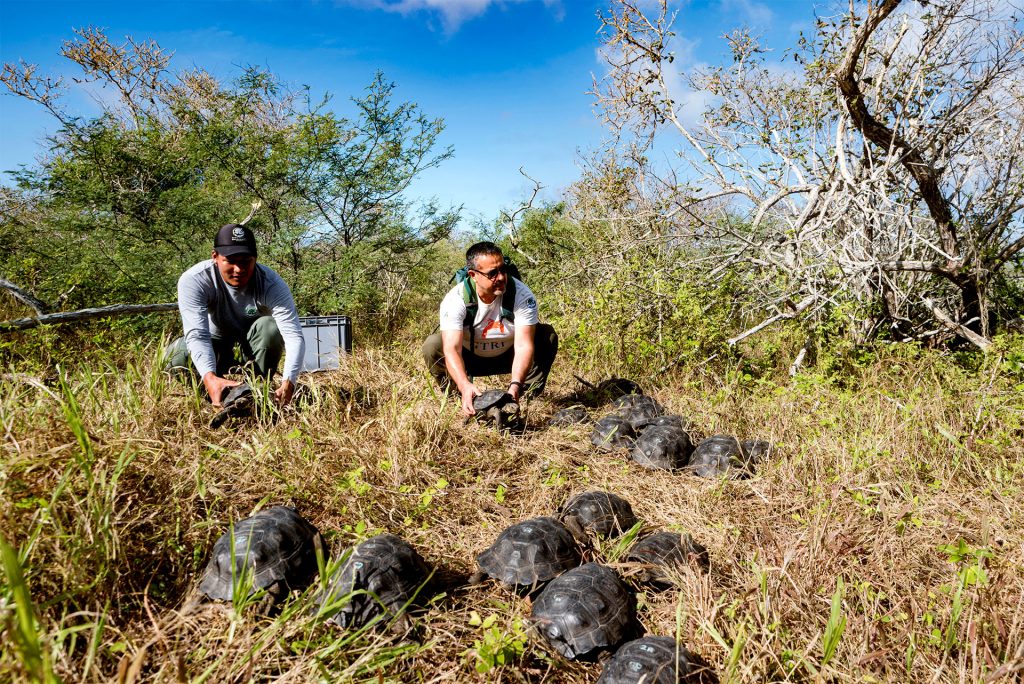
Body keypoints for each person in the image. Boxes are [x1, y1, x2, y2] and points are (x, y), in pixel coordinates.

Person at [166, 223, 305, 406]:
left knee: (269, 327)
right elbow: (197, 335)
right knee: (177, 354)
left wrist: (289, 383)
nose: (239, 269)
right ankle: (217, 397)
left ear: (255, 259)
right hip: (215, 345)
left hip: (254, 348)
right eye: (231, 261)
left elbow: (294, 337)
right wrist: (209, 377)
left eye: (246, 261)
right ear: (215, 257)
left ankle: (258, 393)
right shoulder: (195, 280)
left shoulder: (271, 283)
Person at [422, 241, 558, 415]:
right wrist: (464, 384)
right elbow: (452, 349)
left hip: (509, 355)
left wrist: (515, 384)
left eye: (503, 270)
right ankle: (462, 397)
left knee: (546, 335)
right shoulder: (455, 299)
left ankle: (523, 396)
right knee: (432, 345)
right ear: (473, 275)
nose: (501, 277)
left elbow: (524, 346)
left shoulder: (522, 294)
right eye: (492, 273)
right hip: (471, 359)